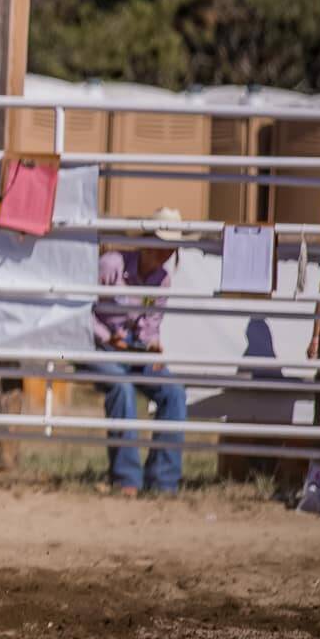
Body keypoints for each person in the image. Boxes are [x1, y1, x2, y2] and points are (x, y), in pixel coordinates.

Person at [86, 206, 191, 496]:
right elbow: (82, 309)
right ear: (145, 238)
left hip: (133, 349)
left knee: (174, 392)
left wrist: (152, 345)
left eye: (171, 246)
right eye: (160, 241)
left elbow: (151, 324)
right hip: (97, 346)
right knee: (121, 387)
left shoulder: (162, 281)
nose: (165, 251)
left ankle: (164, 481)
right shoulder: (111, 265)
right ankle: (127, 479)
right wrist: (108, 336)